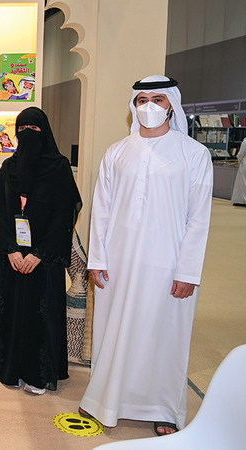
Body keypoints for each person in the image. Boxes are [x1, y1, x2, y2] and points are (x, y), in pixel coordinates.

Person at [79, 75, 213, 436]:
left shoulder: (193, 154)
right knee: (113, 330)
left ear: (171, 105)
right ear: (134, 105)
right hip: (118, 262)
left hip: (168, 263)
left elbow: (199, 218)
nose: (149, 106)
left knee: (164, 335)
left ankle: (162, 408)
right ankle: (103, 399)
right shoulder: (117, 152)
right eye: (142, 100)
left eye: (158, 99)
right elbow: (101, 210)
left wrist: (188, 271)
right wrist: (97, 259)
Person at [0, 107, 82, 395]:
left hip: (44, 259)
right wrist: (11, 250)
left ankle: (38, 375)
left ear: (45, 132)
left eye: (34, 129)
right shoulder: (9, 167)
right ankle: (11, 370)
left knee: (40, 316)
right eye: (22, 129)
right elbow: (0, 212)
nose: (27, 134)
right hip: (13, 258)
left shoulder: (59, 167)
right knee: (12, 312)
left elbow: (63, 215)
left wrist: (39, 253)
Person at [231, 139, 246, 206]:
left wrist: (239, 161)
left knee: (242, 183)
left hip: (244, 165)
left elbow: (240, 154)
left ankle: (241, 200)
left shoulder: (245, 142)